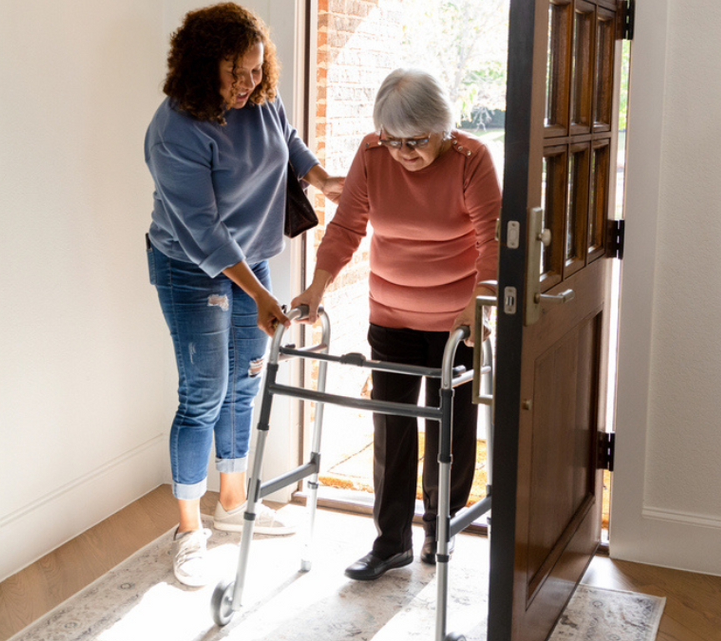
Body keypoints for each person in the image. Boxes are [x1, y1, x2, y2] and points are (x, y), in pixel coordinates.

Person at [145, 2, 343, 588]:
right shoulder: (175, 129)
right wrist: (259, 295)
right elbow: (202, 230)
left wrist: (322, 178)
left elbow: (288, 140)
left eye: (256, 70)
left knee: (245, 379)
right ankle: (188, 530)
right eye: (235, 72)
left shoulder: (261, 99)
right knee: (203, 393)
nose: (248, 83)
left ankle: (231, 504)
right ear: (202, 67)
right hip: (190, 266)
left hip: (250, 258)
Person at [291, 68, 500, 581]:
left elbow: (493, 237)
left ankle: (440, 530)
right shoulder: (372, 154)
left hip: (457, 326)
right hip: (391, 316)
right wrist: (316, 288)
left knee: (450, 426)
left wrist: (481, 304)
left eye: (416, 141)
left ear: (444, 128)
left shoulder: (472, 160)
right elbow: (346, 227)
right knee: (392, 426)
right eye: (393, 139)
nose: (403, 152)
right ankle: (391, 542)